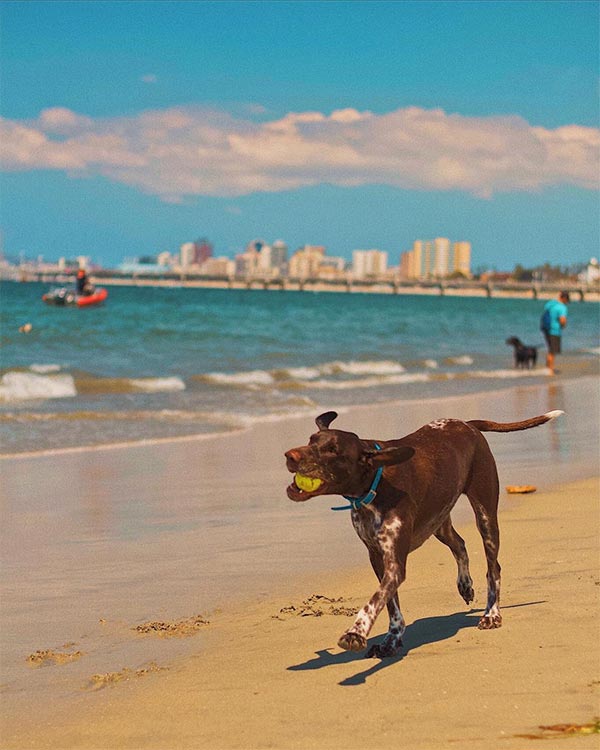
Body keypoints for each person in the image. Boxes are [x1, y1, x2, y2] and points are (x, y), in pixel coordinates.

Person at [540, 290, 570, 374]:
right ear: (564, 298)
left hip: (546, 329)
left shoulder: (550, 304)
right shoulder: (562, 307)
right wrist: (563, 326)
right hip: (555, 331)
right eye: (567, 300)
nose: (567, 302)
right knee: (552, 351)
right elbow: (562, 320)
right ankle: (550, 370)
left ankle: (547, 368)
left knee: (550, 349)